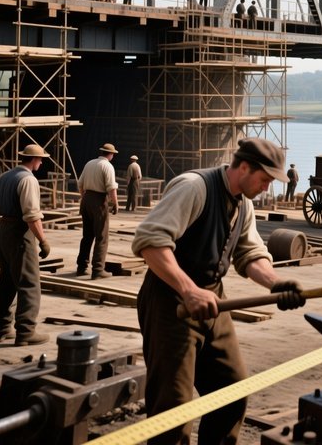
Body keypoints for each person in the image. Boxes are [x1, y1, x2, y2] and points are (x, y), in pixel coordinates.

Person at [132, 137, 305, 445]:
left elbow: (249, 253)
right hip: (171, 301)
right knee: (173, 410)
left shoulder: (243, 203)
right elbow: (150, 243)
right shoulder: (194, 188)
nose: (268, 187)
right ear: (245, 167)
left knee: (232, 391)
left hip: (213, 299)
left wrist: (276, 284)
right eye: (265, 179)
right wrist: (188, 290)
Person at [0, 144, 51, 345]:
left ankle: (0, 329)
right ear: (34, 160)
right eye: (40, 159)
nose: (41, 163)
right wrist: (43, 240)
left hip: (3, 231)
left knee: (6, 281)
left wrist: (1, 219)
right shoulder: (28, 180)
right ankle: (26, 331)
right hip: (19, 233)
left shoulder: (5, 176)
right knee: (29, 283)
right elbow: (32, 215)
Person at [76, 143, 119, 279]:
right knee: (101, 236)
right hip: (99, 201)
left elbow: (80, 184)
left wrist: (84, 198)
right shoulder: (108, 166)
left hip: (86, 199)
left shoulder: (89, 163)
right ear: (111, 155)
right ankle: (98, 269)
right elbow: (111, 188)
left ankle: (81, 267)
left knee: (87, 236)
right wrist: (115, 203)